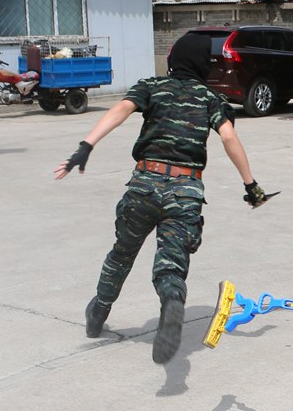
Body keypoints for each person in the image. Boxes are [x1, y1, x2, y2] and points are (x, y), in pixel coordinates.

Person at [54, 33, 273, 364]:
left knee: (122, 253)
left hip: (144, 185)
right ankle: (171, 302)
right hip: (185, 192)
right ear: (203, 65)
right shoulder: (210, 99)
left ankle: (99, 309)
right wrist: (251, 185)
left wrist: (86, 146)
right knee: (171, 263)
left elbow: (121, 108)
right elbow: (229, 137)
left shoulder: (152, 87)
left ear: (173, 60)